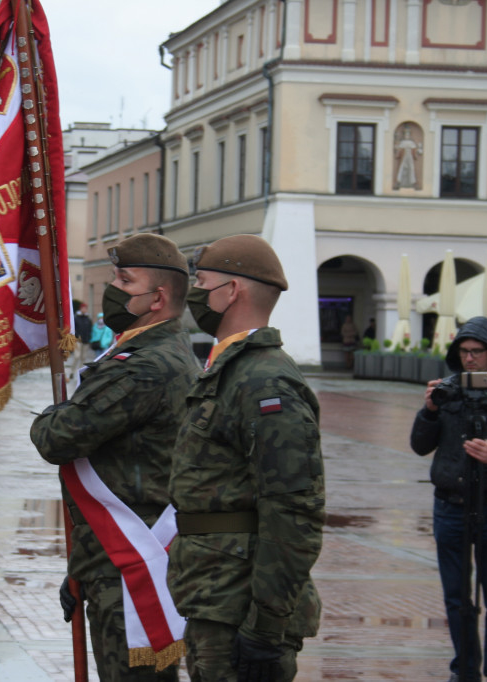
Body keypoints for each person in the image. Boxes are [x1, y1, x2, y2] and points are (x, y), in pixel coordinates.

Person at [30, 233, 200, 681]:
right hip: (115, 557)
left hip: (127, 566)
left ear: (158, 298)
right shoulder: (161, 349)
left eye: (125, 281)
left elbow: (57, 438)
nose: (113, 289)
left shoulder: (144, 365)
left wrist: (51, 413)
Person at [167, 234, 325, 682]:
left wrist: (266, 626)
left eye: (202, 281)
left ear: (232, 291)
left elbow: (295, 510)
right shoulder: (231, 370)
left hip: (240, 605)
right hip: (213, 594)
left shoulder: (265, 381)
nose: (194, 294)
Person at [410, 316, 487, 682]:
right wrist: (430, 410)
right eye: (463, 352)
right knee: (457, 599)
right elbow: (419, 445)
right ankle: (464, 670)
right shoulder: (447, 390)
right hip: (449, 507)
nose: (470, 360)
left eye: (477, 352)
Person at [69, 301, 93, 380]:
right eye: (83, 308)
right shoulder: (76, 317)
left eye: (85, 308)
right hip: (78, 340)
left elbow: (90, 329)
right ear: (80, 309)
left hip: (86, 340)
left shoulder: (88, 319)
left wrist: (89, 337)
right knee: (77, 356)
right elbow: (73, 328)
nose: (84, 310)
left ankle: (80, 372)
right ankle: (72, 372)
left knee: (83, 358)